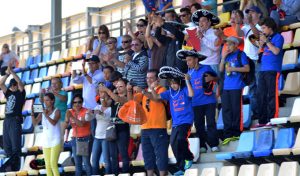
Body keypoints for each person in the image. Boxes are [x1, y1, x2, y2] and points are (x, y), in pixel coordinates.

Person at [151, 70, 194, 176]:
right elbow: (156, 98)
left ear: (179, 83)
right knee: (173, 143)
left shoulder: (184, 90)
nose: (173, 85)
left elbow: (191, 94)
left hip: (186, 121)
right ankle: (181, 167)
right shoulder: (169, 93)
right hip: (176, 123)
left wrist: (187, 81)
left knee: (180, 139)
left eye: (175, 83)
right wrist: (152, 88)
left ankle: (189, 158)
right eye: (171, 83)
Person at [176, 49, 219, 153]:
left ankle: (214, 145)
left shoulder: (206, 68)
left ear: (196, 59)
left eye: (189, 60)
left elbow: (217, 78)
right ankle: (202, 145)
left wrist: (212, 78)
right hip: (195, 103)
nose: (187, 63)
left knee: (211, 123)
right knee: (199, 125)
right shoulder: (188, 74)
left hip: (209, 101)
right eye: (186, 61)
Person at [128, 69, 169, 176]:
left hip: (158, 127)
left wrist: (146, 91)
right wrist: (129, 90)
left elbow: (156, 99)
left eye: (151, 78)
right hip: (145, 128)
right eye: (147, 78)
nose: (149, 80)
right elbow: (131, 102)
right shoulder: (145, 92)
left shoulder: (162, 89)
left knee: (161, 154)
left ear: (157, 80)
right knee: (147, 155)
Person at [219, 37, 250, 145]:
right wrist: (223, 58)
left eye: (230, 44)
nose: (228, 47)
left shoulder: (241, 54)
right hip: (226, 87)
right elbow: (221, 69)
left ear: (236, 45)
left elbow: (247, 68)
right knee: (226, 110)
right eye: (227, 45)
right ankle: (228, 134)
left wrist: (234, 69)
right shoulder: (227, 56)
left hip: (236, 86)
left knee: (236, 110)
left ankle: (236, 133)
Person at [255, 17, 284, 127]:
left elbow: (276, 51)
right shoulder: (266, 39)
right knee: (260, 95)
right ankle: (262, 121)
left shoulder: (278, 37)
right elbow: (259, 54)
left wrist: (267, 42)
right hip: (263, 70)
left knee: (271, 95)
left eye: (263, 28)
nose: (262, 30)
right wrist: (261, 45)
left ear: (270, 27)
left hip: (273, 69)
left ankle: (273, 119)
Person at [98, 78, 130, 174]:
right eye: (117, 86)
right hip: (113, 129)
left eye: (121, 86)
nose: (119, 88)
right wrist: (102, 96)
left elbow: (118, 99)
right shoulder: (114, 98)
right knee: (113, 155)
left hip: (122, 129)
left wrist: (107, 90)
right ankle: (115, 173)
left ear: (126, 87)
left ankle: (125, 173)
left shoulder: (127, 97)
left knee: (123, 153)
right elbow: (104, 105)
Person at [236, 6, 262, 119]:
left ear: (259, 14)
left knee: (259, 86)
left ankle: (261, 111)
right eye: (248, 13)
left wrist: (251, 23)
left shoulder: (261, 26)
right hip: (248, 60)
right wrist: (237, 23)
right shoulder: (246, 26)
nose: (250, 14)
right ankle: (255, 113)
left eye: (252, 12)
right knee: (252, 87)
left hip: (257, 60)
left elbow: (257, 35)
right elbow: (239, 33)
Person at [0, 66, 25, 171]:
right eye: (12, 85)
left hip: (15, 119)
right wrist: (7, 74)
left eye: (14, 85)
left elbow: (20, 83)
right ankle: (9, 168)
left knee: (15, 147)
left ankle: (15, 169)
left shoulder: (20, 94)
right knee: (7, 147)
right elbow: (1, 84)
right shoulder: (8, 93)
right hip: (7, 120)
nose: (13, 86)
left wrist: (12, 72)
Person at [72, 55, 104, 136]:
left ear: (98, 64)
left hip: (95, 107)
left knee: (95, 130)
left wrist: (85, 74)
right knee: (88, 130)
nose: (90, 65)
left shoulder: (101, 74)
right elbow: (76, 80)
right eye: (89, 64)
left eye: (92, 63)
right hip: (86, 107)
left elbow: (93, 83)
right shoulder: (88, 73)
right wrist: (74, 70)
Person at [31, 93, 61, 176]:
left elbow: (54, 123)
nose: (45, 102)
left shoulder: (57, 111)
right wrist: (32, 113)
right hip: (46, 141)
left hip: (56, 140)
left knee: (53, 164)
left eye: (47, 100)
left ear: (52, 101)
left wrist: (46, 115)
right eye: (44, 100)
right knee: (47, 165)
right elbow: (35, 123)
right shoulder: (43, 112)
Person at [86, 87, 112, 175]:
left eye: (103, 93)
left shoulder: (111, 107)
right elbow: (88, 118)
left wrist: (100, 113)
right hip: (97, 137)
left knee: (106, 160)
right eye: (100, 93)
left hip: (106, 137)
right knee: (94, 160)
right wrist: (88, 113)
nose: (102, 95)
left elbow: (108, 118)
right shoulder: (97, 107)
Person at [64, 94, 92, 176]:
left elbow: (81, 124)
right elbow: (65, 125)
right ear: (72, 103)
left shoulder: (85, 111)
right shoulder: (70, 112)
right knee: (77, 164)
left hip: (84, 139)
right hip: (75, 139)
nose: (77, 104)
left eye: (79, 102)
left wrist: (72, 117)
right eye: (75, 102)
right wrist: (67, 117)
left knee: (86, 163)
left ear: (82, 102)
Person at [39, 77, 68, 149]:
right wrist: (41, 93)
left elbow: (64, 99)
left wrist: (54, 92)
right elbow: (41, 101)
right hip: (51, 119)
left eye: (56, 83)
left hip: (62, 119)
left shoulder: (63, 92)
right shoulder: (50, 94)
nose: (54, 85)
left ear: (60, 84)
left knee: (59, 138)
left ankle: (58, 153)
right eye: (52, 84)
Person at [191, 9, 221, 74]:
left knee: (214, 84)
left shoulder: (215, 32)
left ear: (209, 22)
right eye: (199, 21)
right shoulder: (198, 33)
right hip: (201, 64)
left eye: (203, 21)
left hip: (212, 64)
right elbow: (196, 50)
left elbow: (215, 47)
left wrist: (202, 37)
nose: (200, 23)